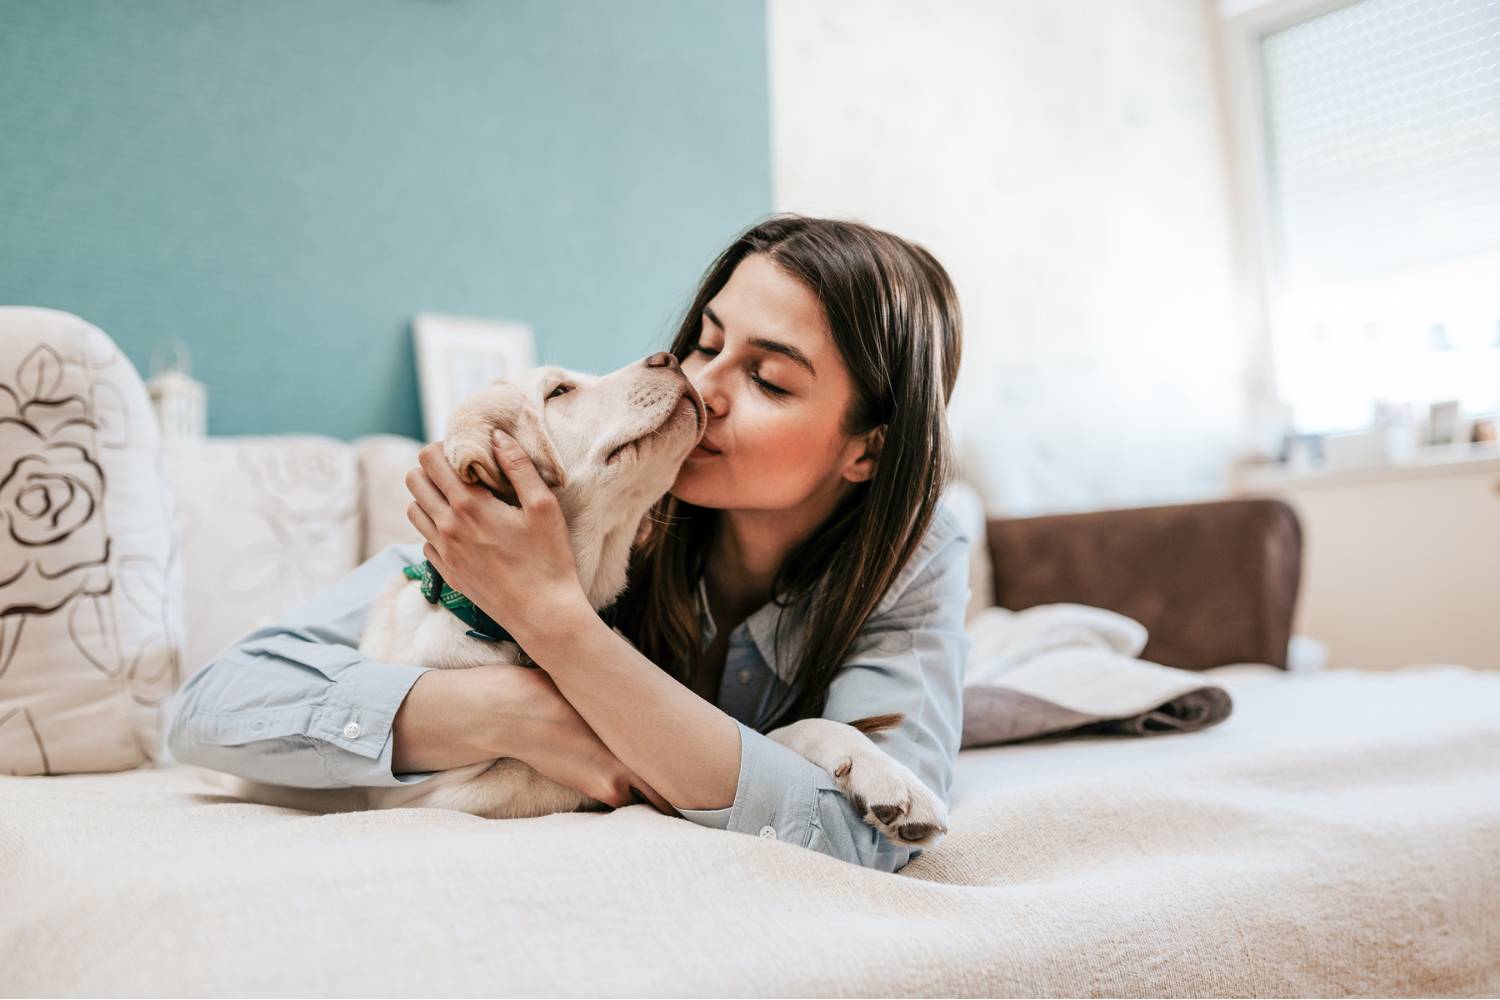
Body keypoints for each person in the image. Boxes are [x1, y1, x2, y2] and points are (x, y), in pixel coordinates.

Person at [165, 214, 972, 873]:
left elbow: (867, 838)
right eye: (707, 341)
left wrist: (557, 621)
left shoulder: (915, 554)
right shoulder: (585, 504)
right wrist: (517, 711)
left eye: (768, 379)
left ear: (868, 448)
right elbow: (211, 708)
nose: (705, 385)